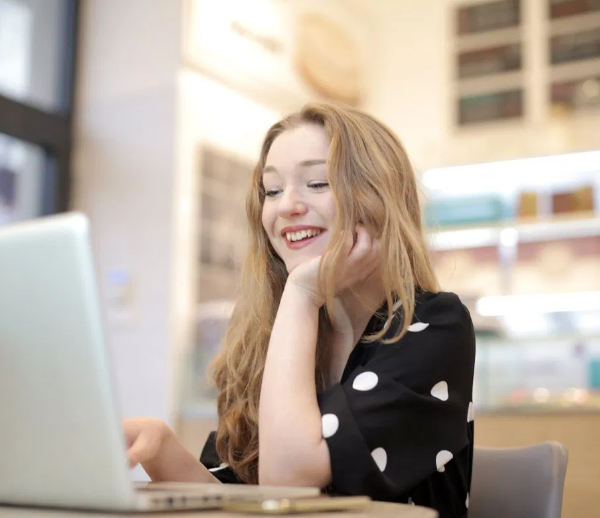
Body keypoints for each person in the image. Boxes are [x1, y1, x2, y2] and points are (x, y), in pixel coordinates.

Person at [124, 103, 476, 517]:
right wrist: (162, 447)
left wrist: (303, 293)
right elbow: (242, 501)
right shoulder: (272, 336)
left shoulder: (434, 326)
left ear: (377, 199)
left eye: (316, 182)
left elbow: (289, 479)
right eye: (272, 190)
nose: (286, 206)